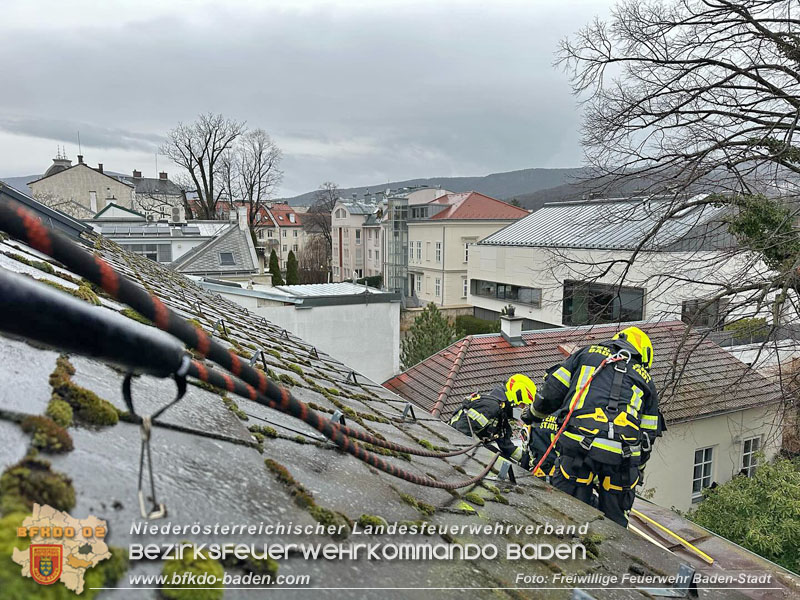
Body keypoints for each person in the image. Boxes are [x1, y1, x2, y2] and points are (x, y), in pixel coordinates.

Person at [526, 326, 663, 527]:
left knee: (566, 513)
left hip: (577, 446)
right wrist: (638, 468)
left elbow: (551, 392)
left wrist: (533, 415)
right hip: (622, 459)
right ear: (642, 355)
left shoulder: (586, 354)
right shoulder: (647, 380)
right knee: (615, 524)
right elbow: (647, 437)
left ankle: (564, 551)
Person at [448, 374, 536, 462]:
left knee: (502, 460)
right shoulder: (490, 406)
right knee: (494, 458)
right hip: (452, 447)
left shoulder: (501, 413)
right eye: (522, 405)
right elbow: (461, 430)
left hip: (464, 447)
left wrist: (528, 460)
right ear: (517, 396)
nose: (521, 409)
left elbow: (506, 445)